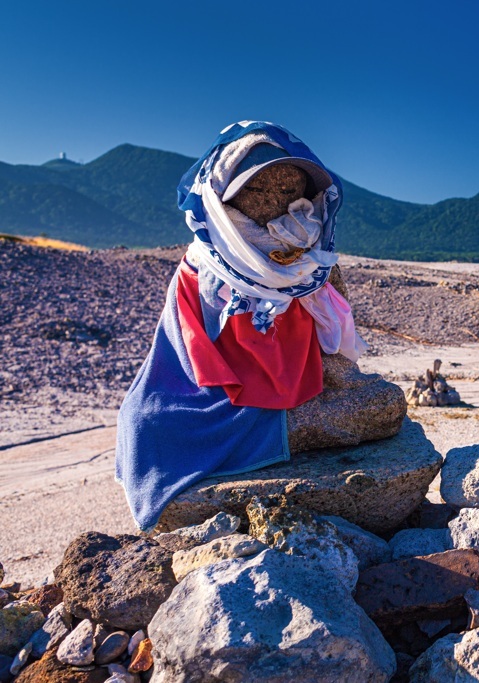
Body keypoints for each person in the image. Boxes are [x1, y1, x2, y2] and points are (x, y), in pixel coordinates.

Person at [115, 121, 366, 531]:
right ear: (222, 196)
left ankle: (285, 425)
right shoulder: (203, 264)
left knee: (378, 407)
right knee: (145, 423)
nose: (274, 201)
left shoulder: (314, 262)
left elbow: (337, 354)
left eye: (288, 192)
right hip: (228, 394)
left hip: (306, 389)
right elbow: (183, 349)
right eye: (256, 189)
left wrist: (344, 383)